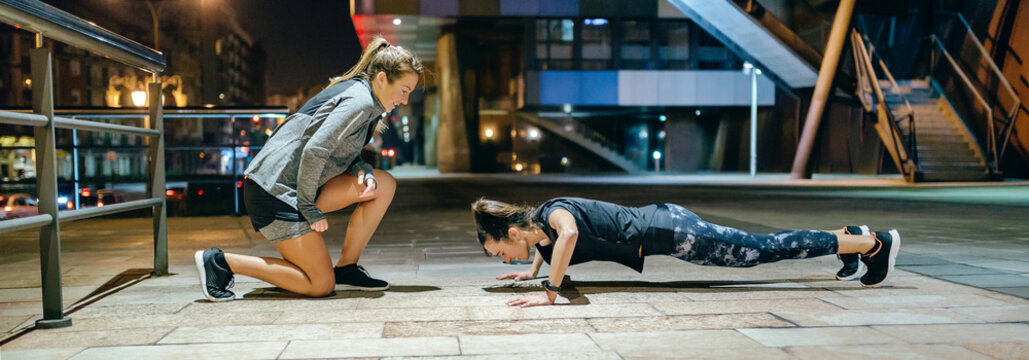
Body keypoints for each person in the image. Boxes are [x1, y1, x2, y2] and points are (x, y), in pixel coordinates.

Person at [193, 36, 422, 301]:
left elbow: (341, 152)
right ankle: (221, 262)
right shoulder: (359, 101)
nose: (405, 99)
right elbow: (316, 150)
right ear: (382, 78)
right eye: (404, 90)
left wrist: (363, 170)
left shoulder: (367, 100)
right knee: (320, 285)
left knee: (384, 185)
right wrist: (309, 209)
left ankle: (346, 270)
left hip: (296, 188)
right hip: (273, 192)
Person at [471, 197, 900, 307]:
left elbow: (566, 238)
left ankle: (873, 243)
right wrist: (530, 270)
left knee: (761, 251)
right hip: (668, 227)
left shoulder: (555, 213)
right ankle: (849, 237)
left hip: (674, 231)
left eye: (499, 252)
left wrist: (550, 291)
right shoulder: (540, 230)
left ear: (512, 231)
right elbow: (549, 244)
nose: (501, 259)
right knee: (760, 247)